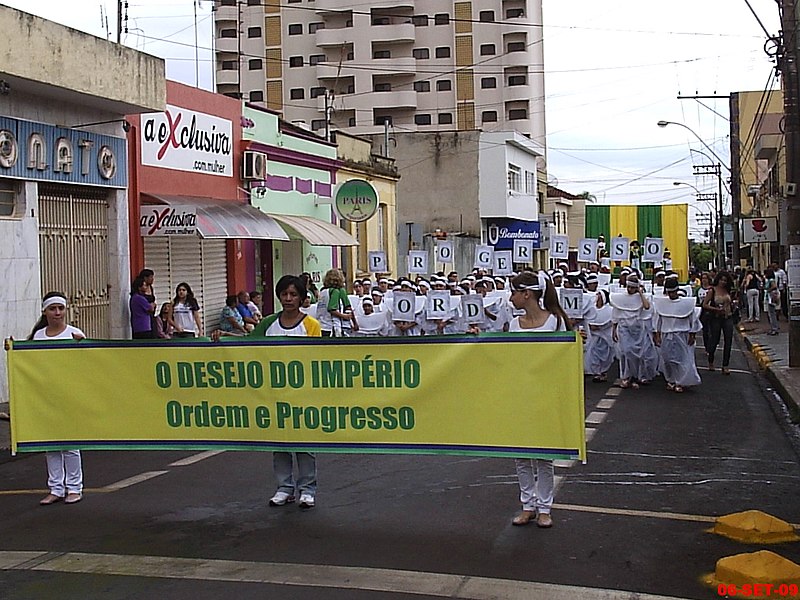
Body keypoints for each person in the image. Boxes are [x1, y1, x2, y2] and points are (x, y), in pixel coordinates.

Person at [246, 275, 321, 509]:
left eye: (293, 294)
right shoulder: (268, 323)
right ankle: (284, 487)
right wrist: (220, 339)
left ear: (301, 298)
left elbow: (319, 359)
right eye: (284, 294)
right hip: (274, 394)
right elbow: (245, 348)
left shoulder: (311, 325)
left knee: (304, 445)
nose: (288, 299)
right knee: (279, 444)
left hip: (302, 395)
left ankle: (307, 489)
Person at [507, 270, 570, 529]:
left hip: (546, 396)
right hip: (521, 394)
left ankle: (545, 508)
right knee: (521, 455)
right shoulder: (513, 325)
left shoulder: (555, 322)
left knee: (543, 456)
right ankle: (527, 505)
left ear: (527, 294)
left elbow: (564, 358)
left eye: (514, 292)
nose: (511, 298)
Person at [29, 292, 85, 505]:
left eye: (60, 308)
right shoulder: (38, 336)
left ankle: (74, 487)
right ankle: (55, 488)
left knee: (70, 444)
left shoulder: (74, 334)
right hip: (47, 398)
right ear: (45, 311)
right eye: (53, 309)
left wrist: (83, 344)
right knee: (51, 444)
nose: (57, 313)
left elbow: (89, 364)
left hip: (69, 396)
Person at [653, 277, 702, 393]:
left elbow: (693, 319)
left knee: (682, 359)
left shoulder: (686, 304)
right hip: (666, 334)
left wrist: (692, 334)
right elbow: (658, 320)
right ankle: (670, 380)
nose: (670, 295)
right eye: (668, 292)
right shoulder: (662, 303)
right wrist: (657, 334)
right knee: (667, 359)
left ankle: (680, 381)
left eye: (672, 292)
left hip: (682, 334)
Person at [610, 273, 652, 389]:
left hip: (637, 328)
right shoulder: (620, 297)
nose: (629, 289)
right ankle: (625, 376)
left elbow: (647, 307)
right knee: (626, 351)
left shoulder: (640, 297)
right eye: (628, 287)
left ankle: (636, 376)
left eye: (632, 287)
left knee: (638, 354)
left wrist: (640, 292)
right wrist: (614, 330)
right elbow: (615, 315)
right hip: (624, 327)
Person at [702, 271, 737, 375]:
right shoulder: (712, 290)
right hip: (716, 317)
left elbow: (731, 302)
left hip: (728, 317)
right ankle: (711, 360)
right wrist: (715, 309)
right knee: (714, 339)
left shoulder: (728, 291)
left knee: (728, 340)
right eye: (721, 280)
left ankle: (725, 365)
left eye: (725, 280)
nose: (723, 282)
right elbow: (704, 304)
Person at [317, 268, 358, 337]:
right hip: (333, 327)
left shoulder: (322, 293)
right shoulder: (336, 291)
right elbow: (332, 309)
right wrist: (348, 318)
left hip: (321, 325)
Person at [130, 274, 156, 339]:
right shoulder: (139, 298)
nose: (146, 287)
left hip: (138, 326)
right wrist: (153, 304)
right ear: (139, 287)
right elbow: (150, 308)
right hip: (143, 326)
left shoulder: (134, 297)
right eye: (144, 285)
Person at [764, 268, 781, 335]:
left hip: (771, 298)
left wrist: (768, 290)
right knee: (771, 313)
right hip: (769, 297)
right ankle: (773, 327)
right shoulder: (769, 280)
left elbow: (774, 286)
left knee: (772, 313)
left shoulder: (771, 280)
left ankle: (774, 328)